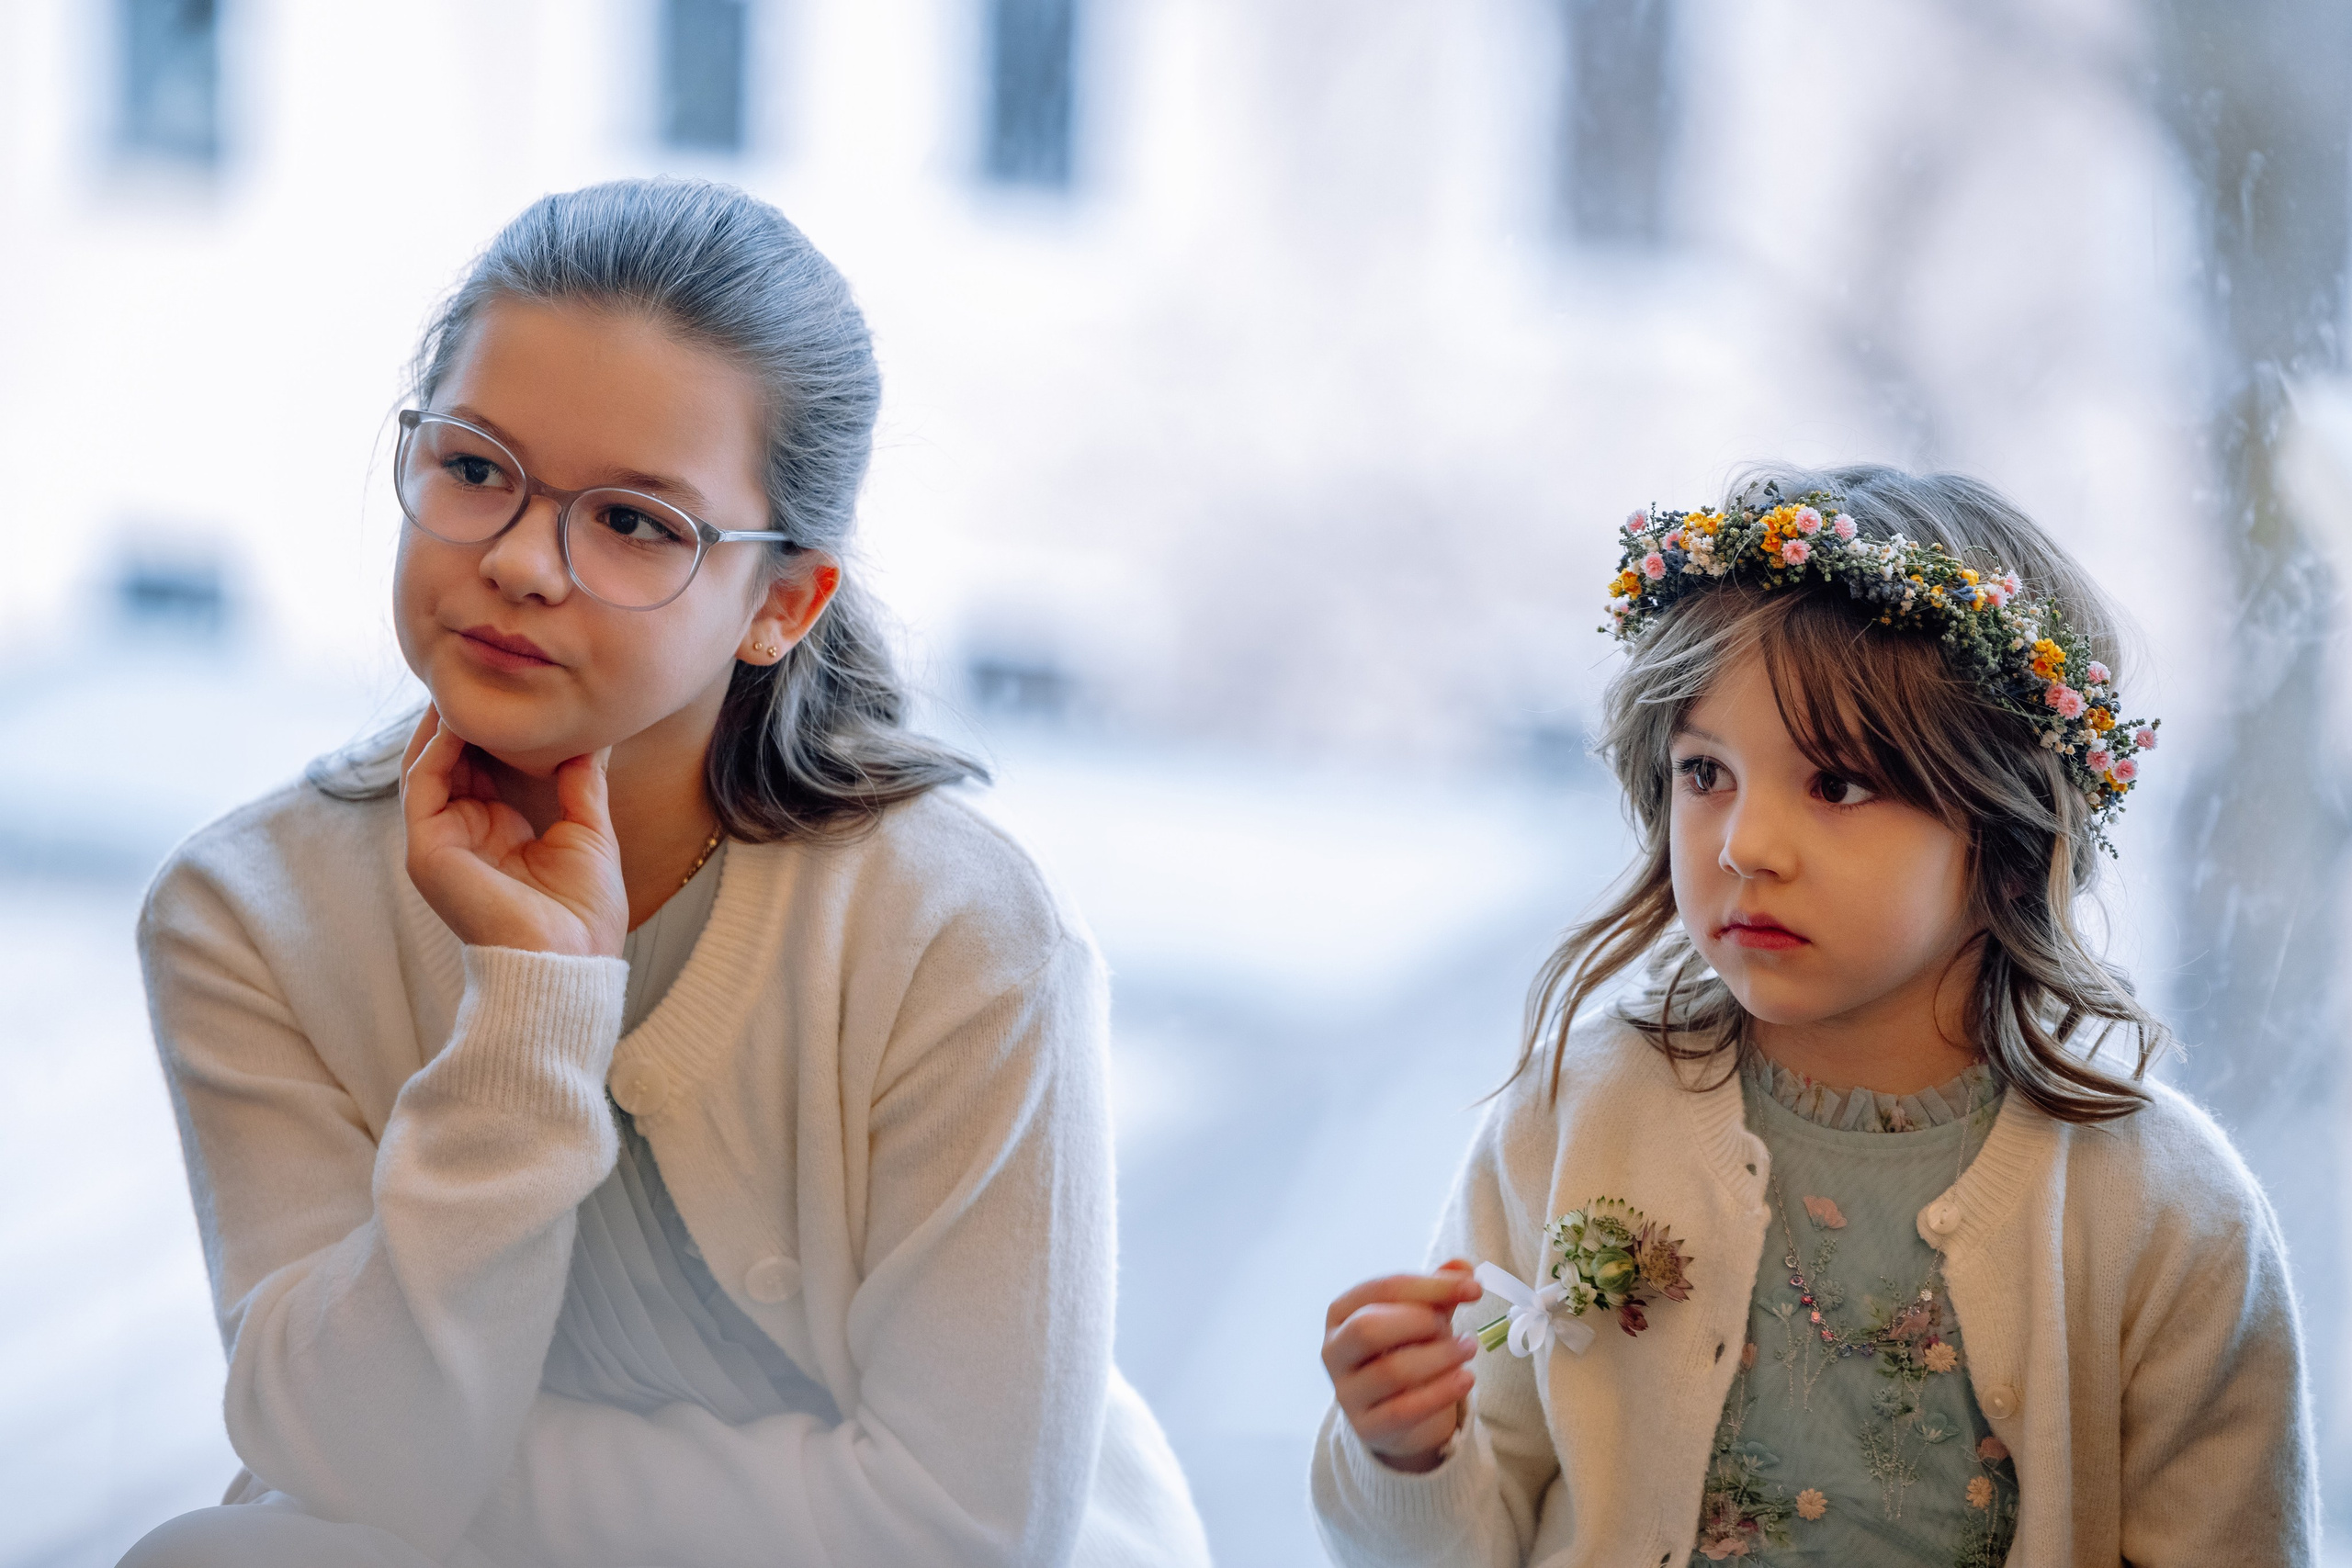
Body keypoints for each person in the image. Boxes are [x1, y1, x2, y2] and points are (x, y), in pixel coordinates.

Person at [122, 178, 1207, 1568]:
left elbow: (963, 1532)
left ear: (781, 603)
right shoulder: (244, 914)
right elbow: (353, 1460)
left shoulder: (962, 928)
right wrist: (530, 1007)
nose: (517, 560)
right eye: (472, 469)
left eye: (635, 521)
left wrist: (481, 1496)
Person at [1310, 466, 2315, 1567]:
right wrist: (1406, 1455)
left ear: (2009, 838)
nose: (1743, 844)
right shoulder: (1573, 1115)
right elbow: (1473, 1524)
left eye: (1834, 785)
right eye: (1705, 771)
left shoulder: (2171, 1213)